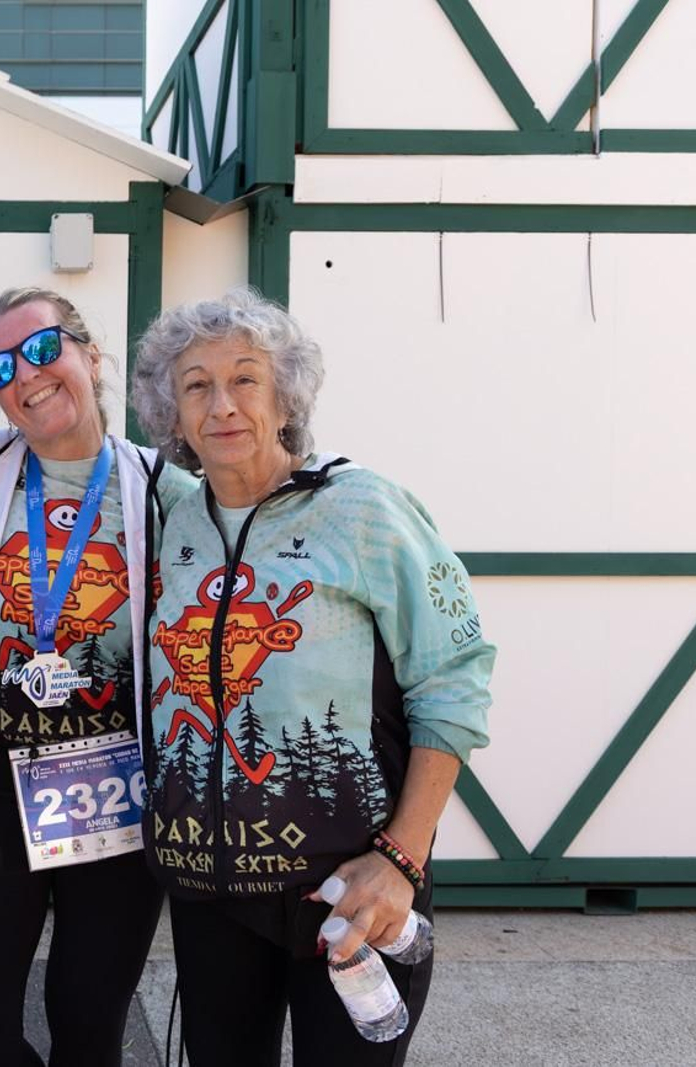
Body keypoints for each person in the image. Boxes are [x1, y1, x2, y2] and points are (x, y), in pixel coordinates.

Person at [127, 288, 495, 1065]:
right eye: (196, 384)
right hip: (211, 895)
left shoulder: (363, 508)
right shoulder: (178, 521)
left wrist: (402, 856)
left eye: (246, 378)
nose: (222, 404)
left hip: (351, 886)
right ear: (173, 410)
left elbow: (452, 683)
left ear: (284, 394)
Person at [0, 287, 196, 1066]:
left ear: (90, 354)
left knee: (89, 1026)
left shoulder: (167, 491)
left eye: (43, 349)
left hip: (116, 793)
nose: (26, 375)